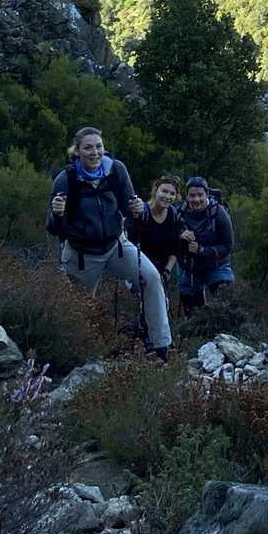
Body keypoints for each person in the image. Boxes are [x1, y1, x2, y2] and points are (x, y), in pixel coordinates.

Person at [46, 127, 173, 360]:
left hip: (117, 245)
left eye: (98, 146)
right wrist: (57, 214)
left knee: (152, 279)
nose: (95, 152)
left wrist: (138, 210)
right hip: (81, 254)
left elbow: (130, 208)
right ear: (77, 151)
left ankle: (160, 345)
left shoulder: (116, 170)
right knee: (80, 307)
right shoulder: (67, 178)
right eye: (88, 147)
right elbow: (54, 228)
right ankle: (79, 354)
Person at [177, 176, 235, 310]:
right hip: (189, 267)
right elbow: (168, 238)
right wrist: (179, 235)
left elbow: (228, 245)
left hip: (216, 264)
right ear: (187, 196)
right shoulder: (178, 213)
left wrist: (201, 250)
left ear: (207, 194)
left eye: (200, 195)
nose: (196, 199)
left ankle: (226, 330)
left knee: (224, 298)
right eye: (192, 195)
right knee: (192, 308)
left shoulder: (218, 213)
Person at [131, 174, 197, 279]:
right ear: (155, 191)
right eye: (164, 191)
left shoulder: (173, 214)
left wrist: (167, 270)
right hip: (139, 270)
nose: (167, 197)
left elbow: (175, 248)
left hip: (162, 272)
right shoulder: (142, 212)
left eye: (172, 193)